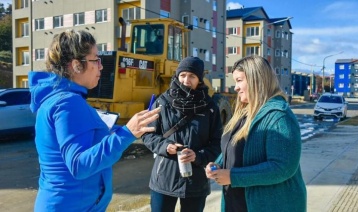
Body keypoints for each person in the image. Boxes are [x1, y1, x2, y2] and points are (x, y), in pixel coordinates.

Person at [28, 29, 160, 211]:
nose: (101, 66)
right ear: (76, 65)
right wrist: (127, 133)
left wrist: (110, 132)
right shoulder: (68, 102)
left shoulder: (57, 99)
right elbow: (79, 165)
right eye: (95, 60)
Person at [206, 55, 307, 212]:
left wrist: (233, 176)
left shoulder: (279, 115)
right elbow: (235, 145)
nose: (236, 88)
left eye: (239, 81)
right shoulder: (244, 112)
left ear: (256, 79)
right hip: (236, 203)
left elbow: (283, 167)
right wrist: (218, 164)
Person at [141, 56, 222, 212]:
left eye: (192, 76)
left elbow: (217, 143)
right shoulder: (162, 102)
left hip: (196, 180)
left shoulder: (210, 107)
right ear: (177, 76)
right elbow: (147, 135)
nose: (186, 80)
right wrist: (166, 146)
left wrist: (198, 156)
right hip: (164, 178)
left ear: (199, 79)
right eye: (183, 75)